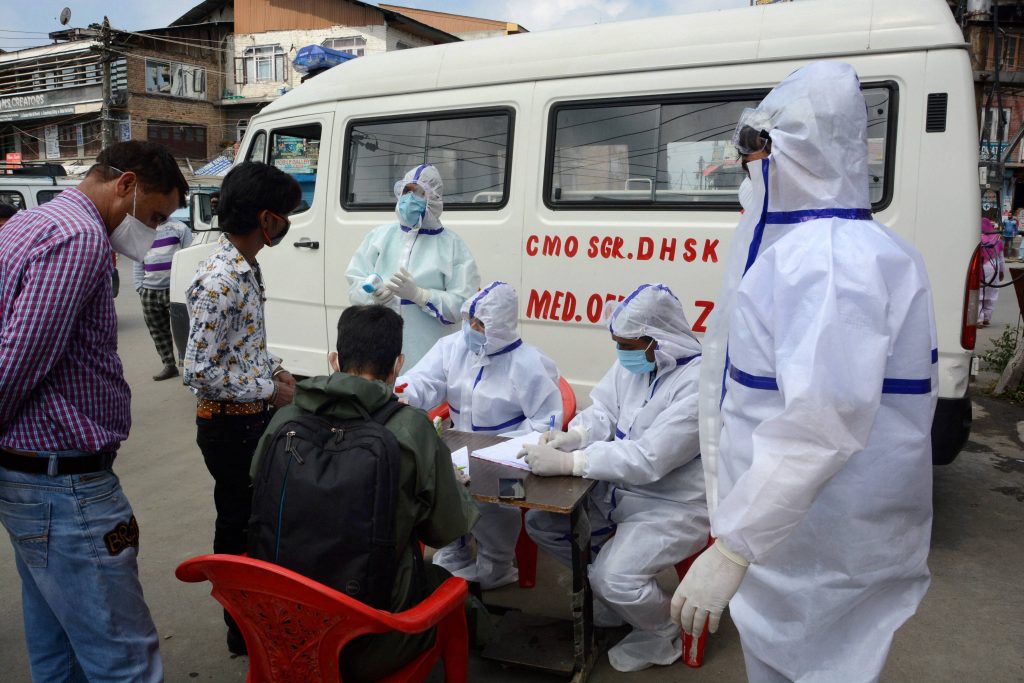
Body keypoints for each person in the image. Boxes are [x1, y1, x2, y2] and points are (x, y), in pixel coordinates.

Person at [671, 62, 936, 683]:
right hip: (804, 538)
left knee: (819, 669)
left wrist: (735, 545)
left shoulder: (826, 262)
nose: (746, 168)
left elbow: (823, 424)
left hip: (818, 547)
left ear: (789, 151)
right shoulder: (852, 250)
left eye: (754, 150)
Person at [0, 140, 187, 682]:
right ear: (125, 184)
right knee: (124, 658)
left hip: (35, 477)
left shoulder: (29, 225)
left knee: (58, 647)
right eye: (155, 217)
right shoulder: (79, 237)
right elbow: (17, 359)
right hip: (63, 484)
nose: (153, 232)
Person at [251, 304, 479, 681]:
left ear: (334, 360)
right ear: (398, 365)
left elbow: (257, 490)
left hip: (282, 627)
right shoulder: (411, 429)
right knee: (448, 587)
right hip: (370, 639)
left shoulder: (286, 419)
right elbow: (446, 529)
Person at [519, 283, 709, 673]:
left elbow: (649, 458)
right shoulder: (636, 362)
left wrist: (572, 462)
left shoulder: (698, 386)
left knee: (614, 578)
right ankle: (611, 598)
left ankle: (664, 628)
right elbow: (604, 410)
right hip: (618, 489)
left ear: (657, 340)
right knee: (542, 522)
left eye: (627, 345)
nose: (621, 353)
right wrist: (576, 435)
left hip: (671, 505)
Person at [183, 161, 301, 655]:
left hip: (252, 417)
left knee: (260, 521)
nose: (288, 224)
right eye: (285, 215)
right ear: (266, 219)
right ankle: (241, 629)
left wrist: (275, 369)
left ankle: (258, 618)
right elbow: (198, 370)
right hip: (229, 428)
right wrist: (267, 389)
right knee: (238, 524)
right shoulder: (220, 278)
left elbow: (242, 345)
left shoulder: (245, 266)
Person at [397, 281, 562, 589]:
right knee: (434, 486)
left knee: (496, 500)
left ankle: (497, 564)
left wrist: (502, 450)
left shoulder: (528, 364)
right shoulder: (452, 348)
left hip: (510, 460)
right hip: (461, 452)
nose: (471, 329)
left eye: (481, 324)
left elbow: (546, 424)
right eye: (469, 320)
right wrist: (401, 393)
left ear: (500, 327)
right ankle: (455, 550)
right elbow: (424, 380)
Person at [346, 163, 481, 367]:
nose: (409, 199)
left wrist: (421, 296)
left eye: (419, 193)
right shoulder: (379, 236)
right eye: (406, 191)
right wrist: (372, 295)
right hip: (379, 348)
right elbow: (355, 279)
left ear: (433, 198)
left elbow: (463, 304)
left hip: (428, 354)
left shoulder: (452, 245)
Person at [133, 216, 193, 380]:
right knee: (157, 331)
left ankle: (189, 368)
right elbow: (138, 261)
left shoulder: (180, 228)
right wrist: (140, 287)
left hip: (175, 290)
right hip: (149, 291)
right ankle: (169, 365)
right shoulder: (143, 231)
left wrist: (185, 286)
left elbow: (188, 257)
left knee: (185, 329)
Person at [980, 217, 1005, 327]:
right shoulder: (997, 240)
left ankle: (978, 319)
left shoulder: (977, 240)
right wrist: (1002, 272)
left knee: (980, 293)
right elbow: (1001, 259)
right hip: (994, 267)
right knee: (992, 293)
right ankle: (986, 318)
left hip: (981, 268)